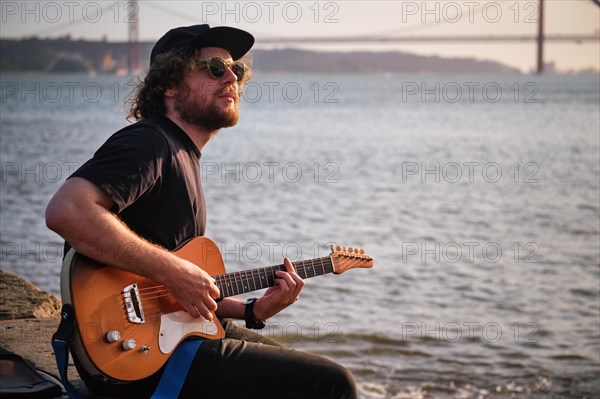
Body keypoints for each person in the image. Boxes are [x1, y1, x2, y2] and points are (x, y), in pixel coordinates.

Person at [45, 24, 357, 398]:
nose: (231, 77)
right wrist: (174, 269)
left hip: (158, 343)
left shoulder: (181, 154)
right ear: (169, 84)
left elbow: (168, 293)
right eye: (213, 68)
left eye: (236, 70)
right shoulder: (151, 142)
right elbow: (67, 211)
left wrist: (252, 311)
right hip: (132, 359)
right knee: (332, 384)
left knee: (308, 369)